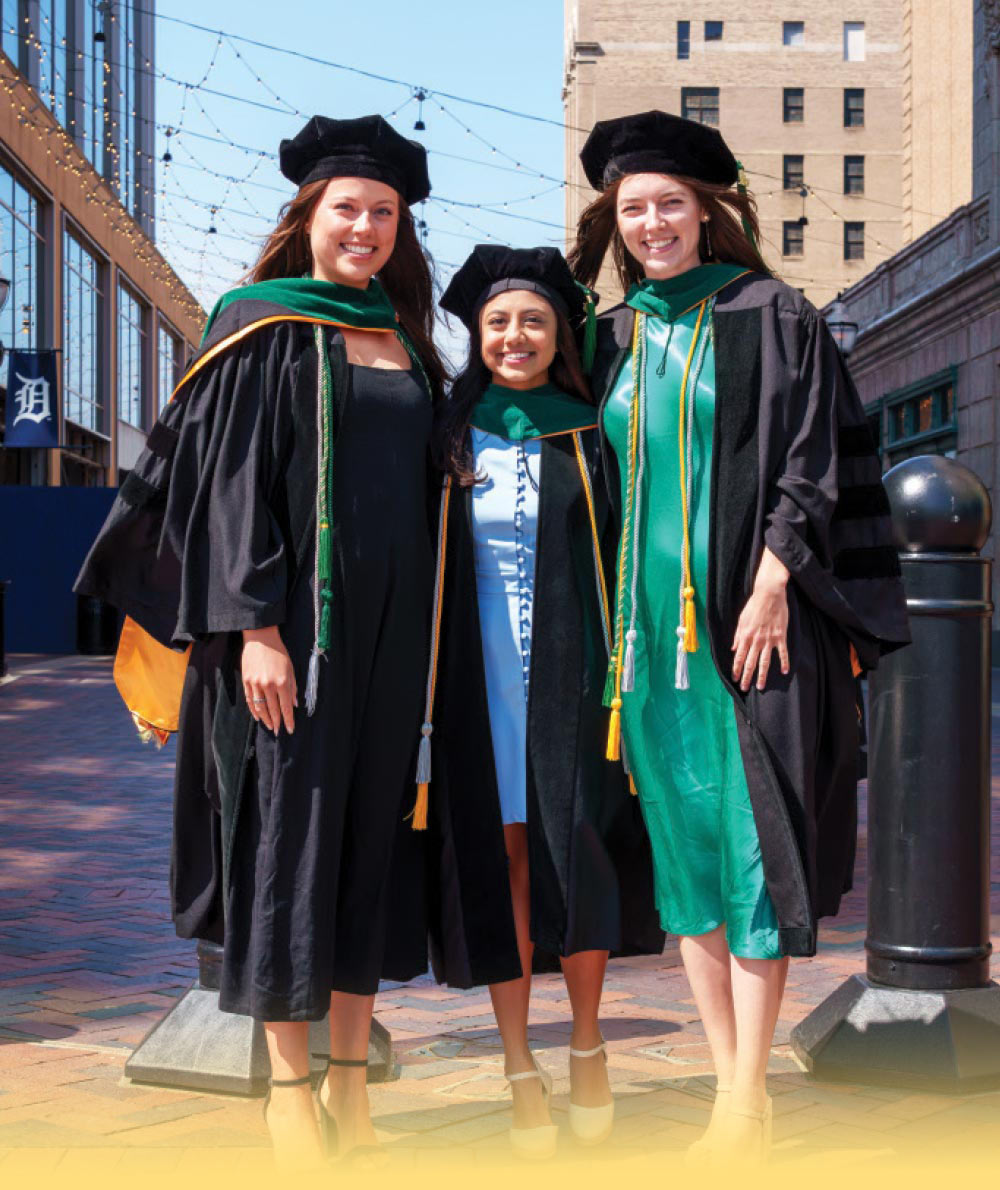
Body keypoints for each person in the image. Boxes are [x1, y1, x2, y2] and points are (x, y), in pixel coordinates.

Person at [75, 114, 447, 1169]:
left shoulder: (407, 338)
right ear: (308, 219)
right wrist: (252, 629)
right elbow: (228, 489)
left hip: (390, 648)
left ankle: (349, 1083)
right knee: (288, 850)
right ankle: (290, 1089)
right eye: (348, 211)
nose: (365, 228)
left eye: (383, 213)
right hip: (291, 644)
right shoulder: (260, 324)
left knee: (370, 849)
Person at [567, 110, 909, 1163]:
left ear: (708, 213)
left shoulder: (773, 315)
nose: (653, 222)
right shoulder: (610, 336)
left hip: (748, 629)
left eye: (671, 203)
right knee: (686, 860)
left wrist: (770, 585)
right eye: (634, 210)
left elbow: (813, 461)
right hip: (640, 644)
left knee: (757, 850)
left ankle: (745, 1095)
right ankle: (727, 1075)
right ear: (614, 225)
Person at [423, 246, 663, 1158]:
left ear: (562, 333)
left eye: (532, 320)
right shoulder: (448, 432)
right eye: (496, 323)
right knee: (506, 860)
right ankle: (520, 1065)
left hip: (573, 669)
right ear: (475, 337)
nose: (514, 337)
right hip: (476, 677)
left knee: (579, 855)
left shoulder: (592, 430)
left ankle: (589, 1045)